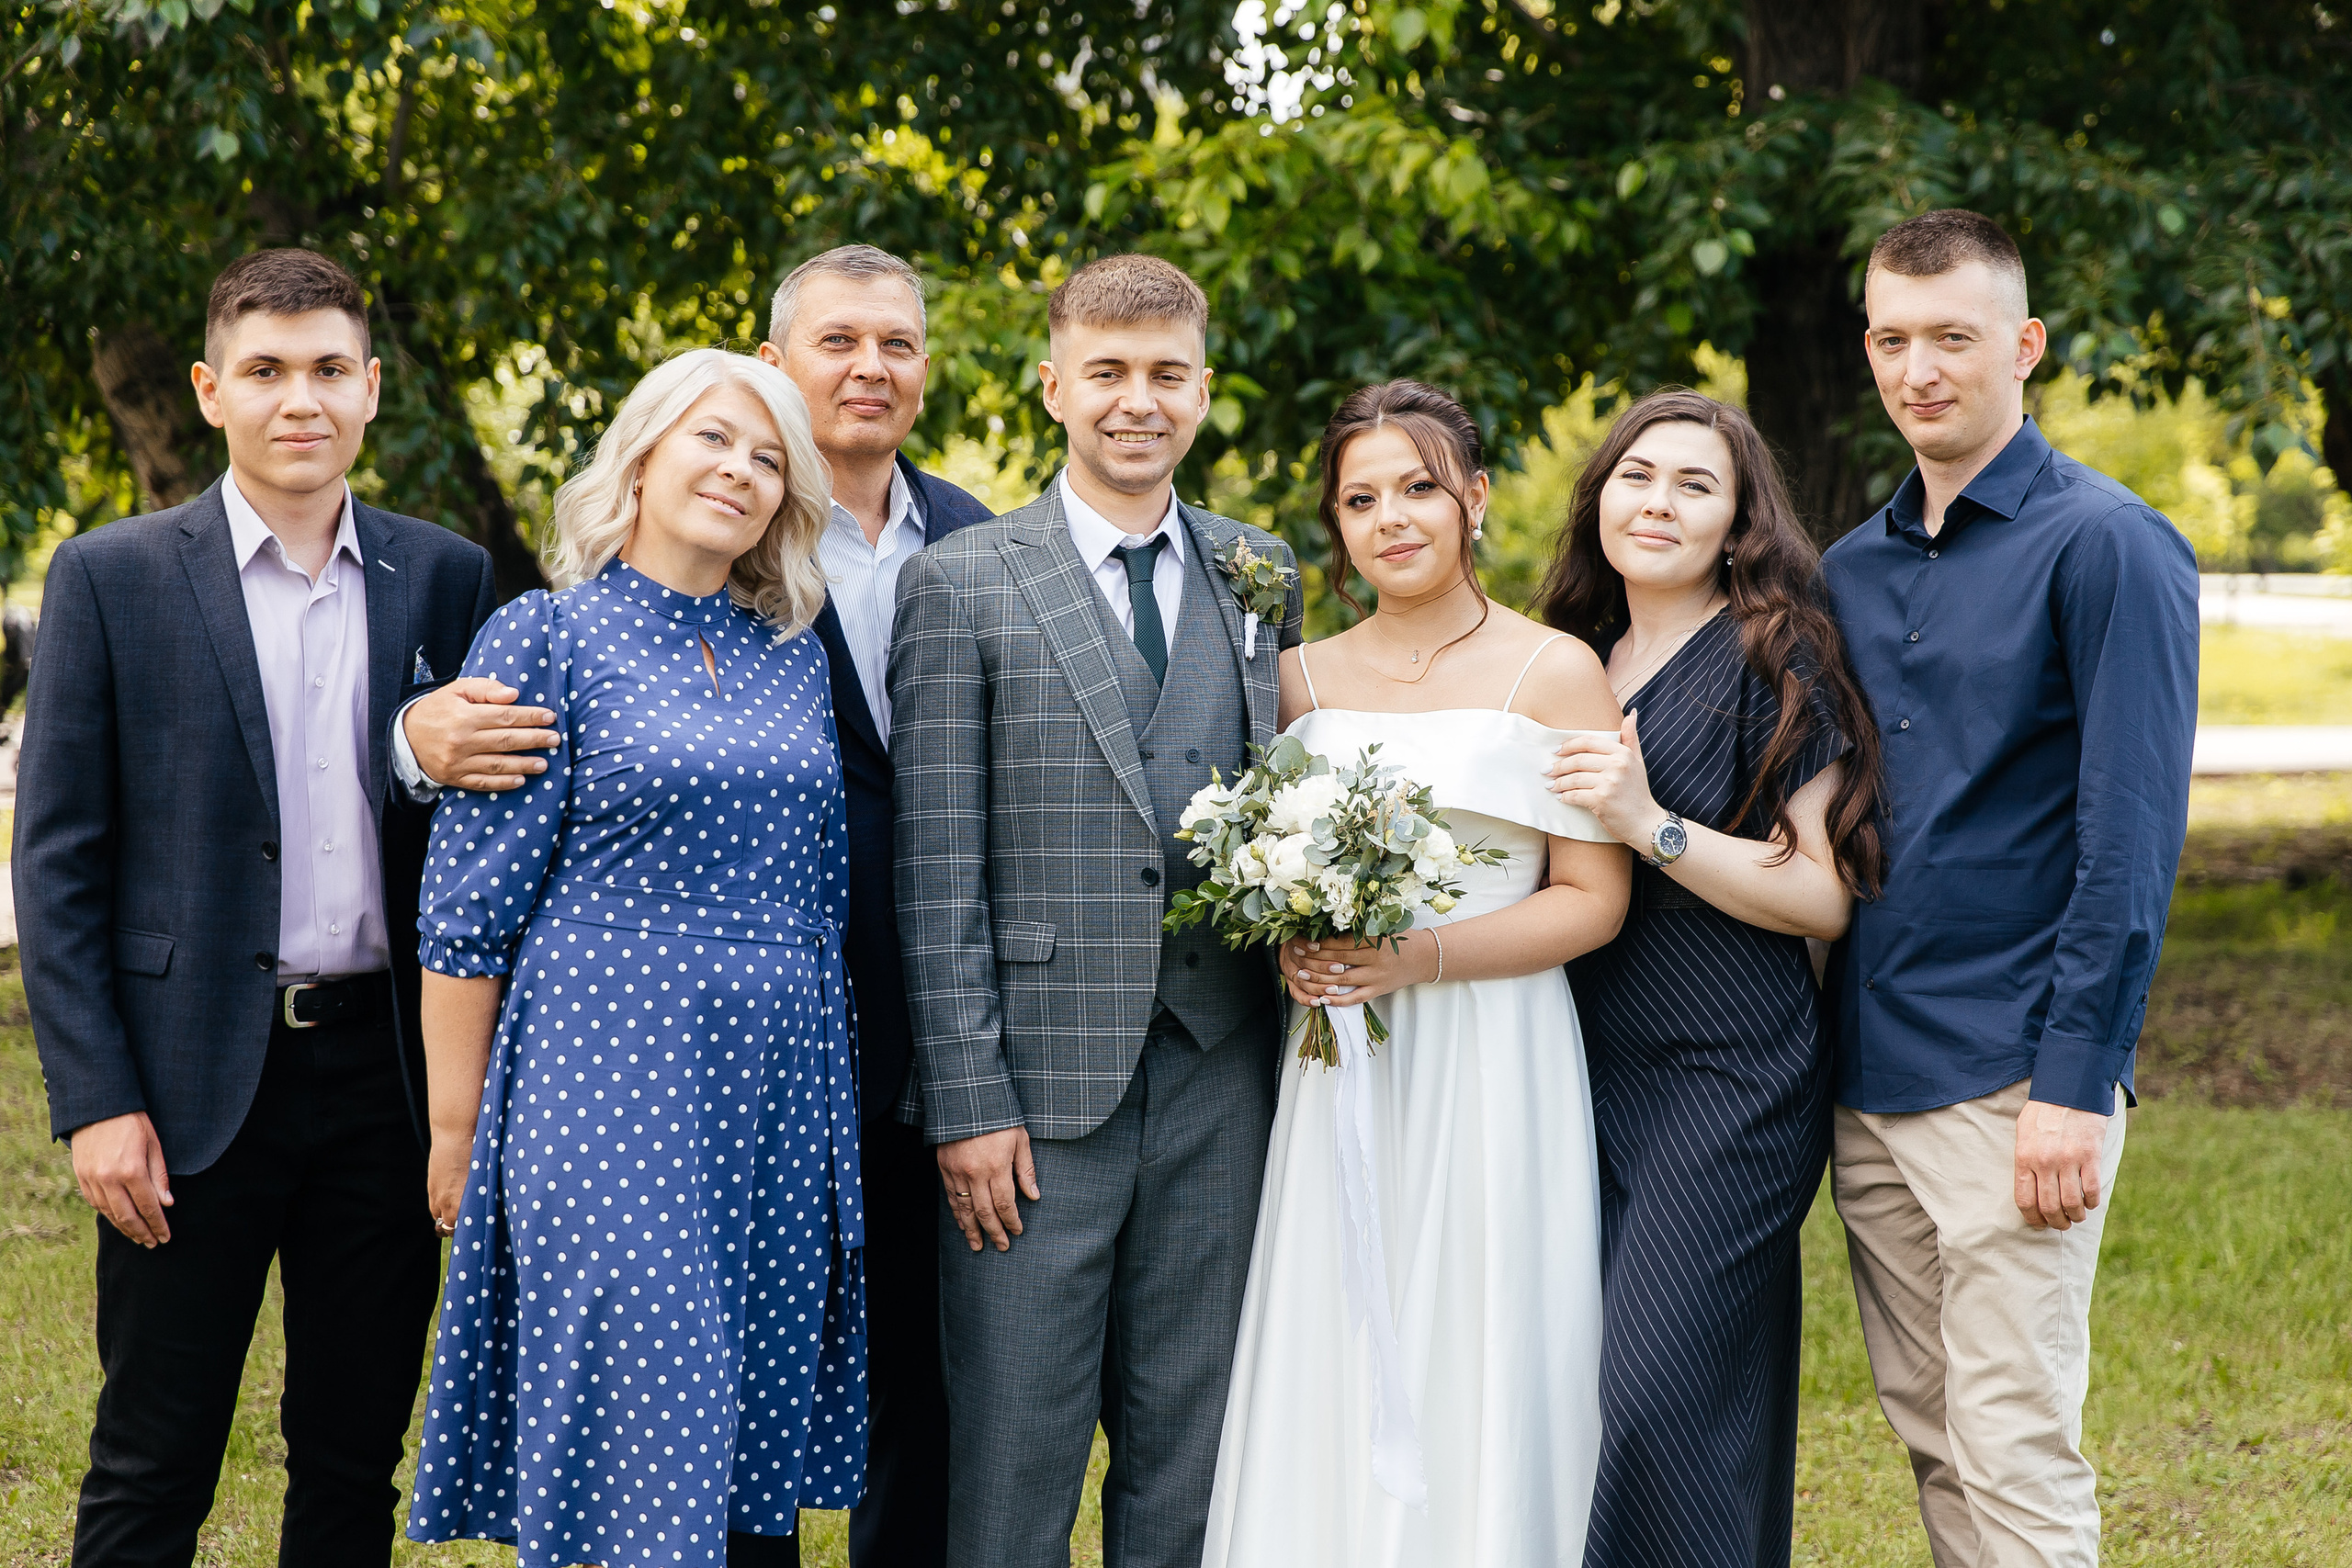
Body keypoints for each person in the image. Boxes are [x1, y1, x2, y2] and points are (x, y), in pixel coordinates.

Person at [396, 243, 991, 1568]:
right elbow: (468, 913)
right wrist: (455, 1123)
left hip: (781, 1090)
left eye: (763, 457)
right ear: (644, 457)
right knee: (639, 1420)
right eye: (709, 439)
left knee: (747, 1455)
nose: (736, 468)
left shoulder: (787, 649)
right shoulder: (544, 636)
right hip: (609, 1080)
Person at [15, 247, 497, 1564]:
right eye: (268, 370)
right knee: (152, 1454)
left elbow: (475, 825)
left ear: (372, 387)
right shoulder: (111, 574)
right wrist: (97, 1097)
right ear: (210, 389)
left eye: (330, 369)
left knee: (351, 1458)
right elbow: (57, 861)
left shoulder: (446, 575)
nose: (302, 399)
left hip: (381, 1079)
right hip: (183, 1086)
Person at [887, 254, 1303, 1568]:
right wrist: (966, 1099)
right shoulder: (963, 579)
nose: (1139, 401)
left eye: (1167, 374)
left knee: (1191, 1450)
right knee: (1014, 1454)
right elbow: (935, 862)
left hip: (1218, 1065)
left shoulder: (1261, 570)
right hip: (1031, 1094)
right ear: (1054, 383)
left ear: (1203, 389)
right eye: (1109, 374)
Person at [1820, 209, 2198, 1567]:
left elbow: (2132, 836)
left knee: (2017, 1444)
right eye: (1892, 338)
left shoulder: (2110, 545)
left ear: (2023, 345)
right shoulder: (1849, 569)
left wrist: (2074, 1083)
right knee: (1935, 1440)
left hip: (2008, 1078)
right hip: (1869, 1072)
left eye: (1953, 337)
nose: (1920, 368)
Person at [1202, 379, 1629, 1567]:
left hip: (1496, 1050)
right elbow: (1267, 864)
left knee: (1483, 1322)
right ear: (1335, 523)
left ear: (1477, 497)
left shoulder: (1553, 670)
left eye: (1420, 487)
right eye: (1361, 496)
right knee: (1338, 1313)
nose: (1393, 516)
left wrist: (1417, 955)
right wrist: (1294, 932)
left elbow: (1593, 900)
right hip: (1344, 1058)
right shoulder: (1299, 680)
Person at [1534, 389, 1888, 1568]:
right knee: (1602, 1394)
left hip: (1728, 1078)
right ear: (1599, 500)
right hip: (1574, 1067)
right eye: (1637, 476)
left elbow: (1821, 890)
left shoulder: (1771, 650)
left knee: (1656, 1394)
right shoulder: (1570, 655)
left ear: (1740, 519)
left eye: (1696, 484)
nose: (1659, 502)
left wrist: (1651, 825)